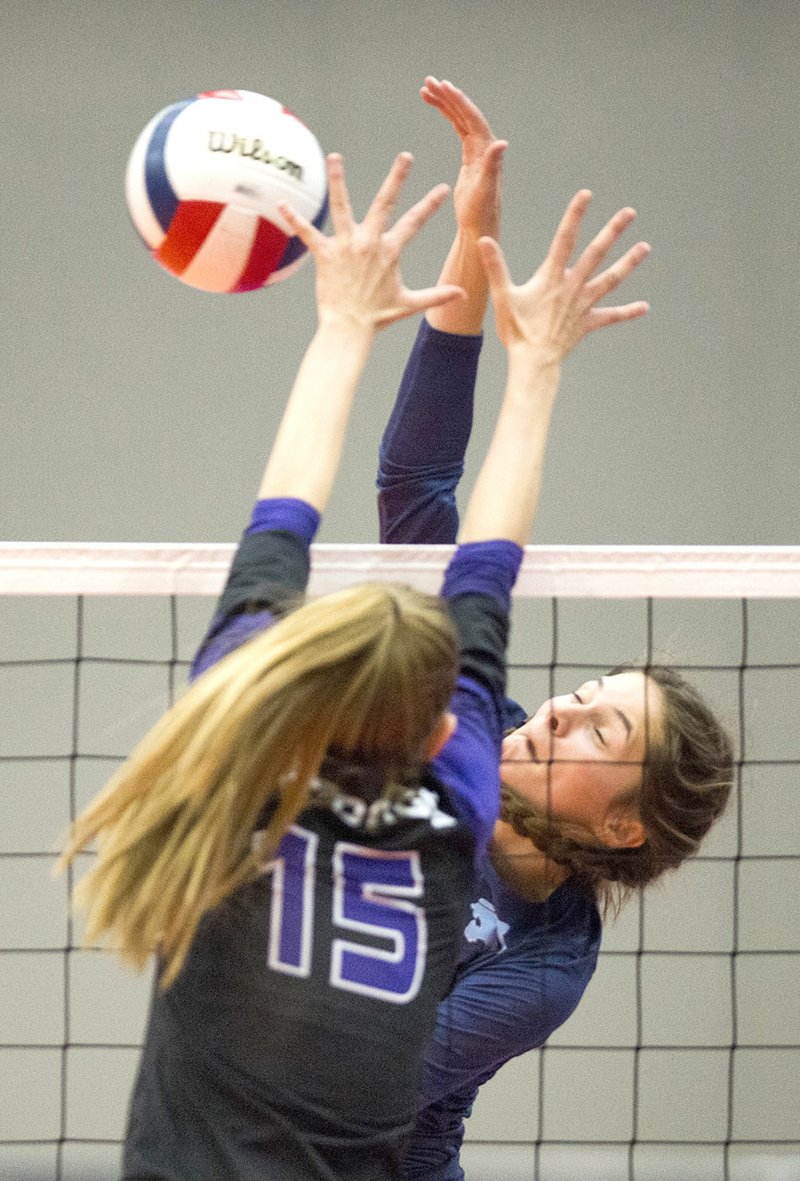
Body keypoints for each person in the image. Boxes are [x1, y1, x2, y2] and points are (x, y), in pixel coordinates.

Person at [57, 139, 628, 1180]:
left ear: (286, 680)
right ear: (448, 729)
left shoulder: (244, 759)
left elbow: (418, 553)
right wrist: (533, 363)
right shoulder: (458, 813)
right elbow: (477, 561)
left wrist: (343, 325)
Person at [376, 79, 734, 1180]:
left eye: (599, 731)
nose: (568, 706)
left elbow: (366, 1082)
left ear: (625, 829)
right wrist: (468, 268)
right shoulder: (470, 720)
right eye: (588, 690)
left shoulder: (541, 966)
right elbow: (418, 494)